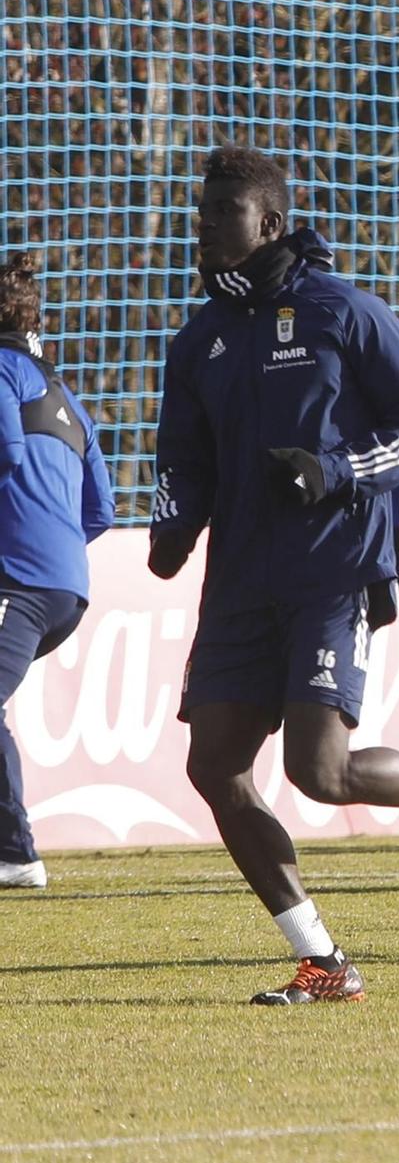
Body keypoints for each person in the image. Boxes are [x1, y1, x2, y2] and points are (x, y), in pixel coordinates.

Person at [150, 145, 399, 1005]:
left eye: (221, 212)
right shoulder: (199, 337)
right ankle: (324, 958)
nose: (204, 225)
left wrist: (339, 470)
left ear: (268, 224)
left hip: (336, 568)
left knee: (321, 770)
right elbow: (181, 455)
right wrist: (173, 522)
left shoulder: (342, 311)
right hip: (241, 581)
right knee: (214, 766)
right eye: (203, 211)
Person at [0, 254, 114, 888]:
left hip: (16, 581)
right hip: (64, 587)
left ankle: (16, 855)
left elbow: (5, 453)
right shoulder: (68, 397)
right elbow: (103, 509)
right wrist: (57, 544)